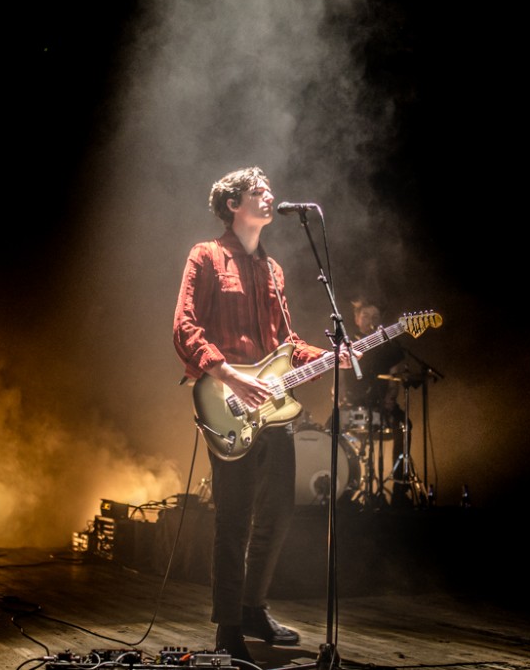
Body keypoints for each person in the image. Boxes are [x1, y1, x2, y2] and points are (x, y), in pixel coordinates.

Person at [173, 166, 354, 662]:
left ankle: (253, 607)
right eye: (258, 191)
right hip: (228, 404)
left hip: (275, 411)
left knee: (278, 512)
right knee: (233, 519)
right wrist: (229, 375)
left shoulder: (273, 271)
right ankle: (227, 626)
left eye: (269, 190)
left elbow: (285, 346)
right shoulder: (206, 256)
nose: (269, 196)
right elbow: (186, 328)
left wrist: (327, 356)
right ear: (233, 204)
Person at [337, 297, 414, 506]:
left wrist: (390, 400)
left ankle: (400, 487)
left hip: (381, 403)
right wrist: (339, 401)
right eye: (365, 315)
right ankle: (341, 488)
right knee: (330, 429)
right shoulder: (347, 343)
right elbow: (339, 379)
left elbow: (394, 375)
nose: (370, 320)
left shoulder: (388, 346)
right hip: (353, 403)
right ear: (356, 318)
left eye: (375, 317)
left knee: (405, 426)